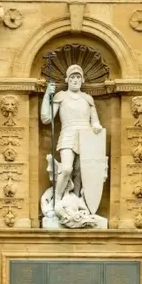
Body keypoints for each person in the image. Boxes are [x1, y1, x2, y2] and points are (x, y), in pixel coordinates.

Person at [41, 63, 103, 206]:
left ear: (82, 80)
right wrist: (47, 96)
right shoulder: (61, 96)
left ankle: (76, 202)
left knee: (81, 172)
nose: (75, 80)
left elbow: (95, 121)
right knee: (67, 168)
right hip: (68, 134)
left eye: (78, 77)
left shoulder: (88, 99)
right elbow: (46, 118)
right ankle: (56, 198)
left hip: (86, 135)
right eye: (72, 77)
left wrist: (96, 126)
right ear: (67, 80)